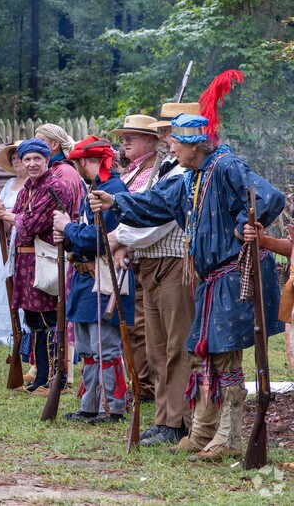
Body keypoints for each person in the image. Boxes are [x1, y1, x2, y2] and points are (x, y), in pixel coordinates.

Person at [89, 77, 285, 461]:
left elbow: (270, 197)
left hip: (234, 275)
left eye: (175, 143)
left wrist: (251, 222)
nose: (171, 149)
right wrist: (114, 200)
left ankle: (227, 439)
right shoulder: (190, 178)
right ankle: (202, 433)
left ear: (194, 146)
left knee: (225, 357)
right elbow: (151, 205)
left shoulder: (227, 166)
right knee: (208, 354)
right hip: (211, 279)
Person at [115, 102, 200, 447]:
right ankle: (164, 417)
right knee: (156, 349)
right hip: (150, 265)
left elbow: (158, 221)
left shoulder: (183, 174)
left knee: (176, 347)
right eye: (163, 130)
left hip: (174, 263)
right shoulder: (166, 168)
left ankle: (176, 421)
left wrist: (118, 236)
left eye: (168, 131)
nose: (164, 136)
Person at [53, 137, 135, 424]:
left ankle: (114, 408)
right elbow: (85, 238)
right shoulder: (97, 189)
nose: (77, 169)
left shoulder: (113, 191)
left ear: (92, 162)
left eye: (80, 163)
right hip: (86, 278)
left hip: (104, 277)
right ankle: (90, 406)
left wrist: (69, 228)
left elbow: (104, 239)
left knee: (107, 348)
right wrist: (66, 238)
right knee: (89, 349)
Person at [0, 139, 70, 393]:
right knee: (33, 319)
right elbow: (18, 226)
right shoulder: (26, 189)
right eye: (27, 159)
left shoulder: (55, 187)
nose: (32, 164)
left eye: (37, 158)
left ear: (47, 160)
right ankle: (38, 377)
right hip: (24, 261)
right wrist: (4, 215)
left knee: (48, 319)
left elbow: (32, 225)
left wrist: (8, 216)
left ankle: (53, 379)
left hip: (44, 260)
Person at [110, 115, 165, 406]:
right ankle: (139, 380)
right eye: (124, 136)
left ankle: (147, 386)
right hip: (132, 254)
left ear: (153, 141)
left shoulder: (153, 172)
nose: (125, 141)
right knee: (132, 324)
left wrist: (122, 242)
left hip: (145, 255)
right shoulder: (134, 172)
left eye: (133, 136)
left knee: (142, 326)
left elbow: (146, 214)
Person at [0, 142, 25, 346]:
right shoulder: (10, 184)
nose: (16, 160)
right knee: (3, 279)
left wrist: (7, 216)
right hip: (6, 239)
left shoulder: (33, 185)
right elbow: (3, 211)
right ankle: (2, 329)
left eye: (20, 156)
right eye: (13, 157)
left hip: (24, 238)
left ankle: (20, 329)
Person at [35, 123, 83, 215]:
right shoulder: (50, 169)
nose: (35, 147)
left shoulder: (65, 171)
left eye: (40, 142)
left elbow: (64, 210)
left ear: (54, 144)